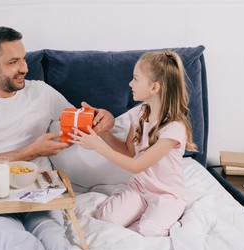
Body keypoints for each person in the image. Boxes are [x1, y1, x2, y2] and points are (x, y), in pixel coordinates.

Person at [0, 26, 114, 250]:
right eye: (13, 62)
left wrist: (104, 118)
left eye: (24, 59)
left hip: (37, 192)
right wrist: (32, 151)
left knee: (57, 247)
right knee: (19, 248)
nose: (24, 68)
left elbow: (81, 122)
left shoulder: (41, 92)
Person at [69, 51, 197, 237]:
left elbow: (137, 165)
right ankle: (139, 213)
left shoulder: (174, 129)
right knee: (107, 219)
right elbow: (129, 152)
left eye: (136, 78)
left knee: (149, 230)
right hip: (140, 188)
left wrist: (97, 146)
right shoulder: (140, 113)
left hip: (166, 195)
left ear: (154, 87)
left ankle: (159, 216)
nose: (130, 83)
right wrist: (103, 132)